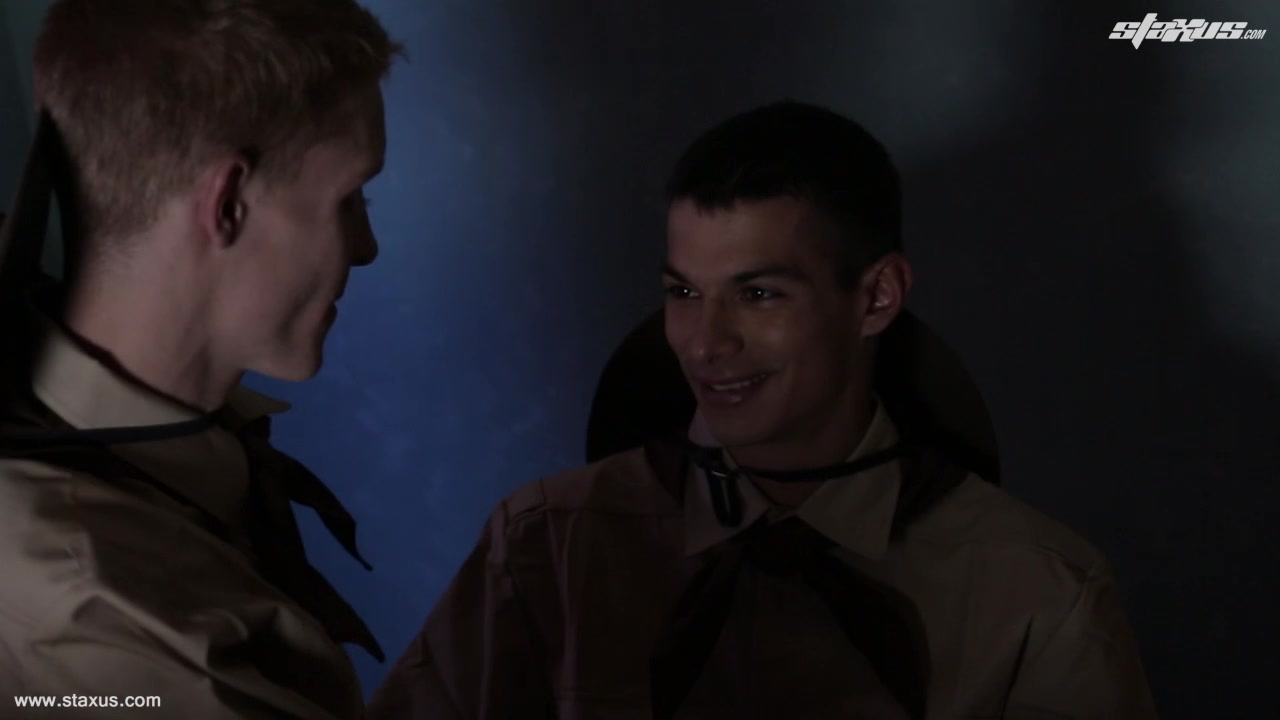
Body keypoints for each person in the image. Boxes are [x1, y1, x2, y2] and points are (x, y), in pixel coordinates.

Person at [368, 101, 1158, 719]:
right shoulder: (548, 547)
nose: (704, 343)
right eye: (684, 291)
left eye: (758, 294)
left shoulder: (1038, 593)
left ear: (877, 297)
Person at [0, 1, 400, 717]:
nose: (366, 248)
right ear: (229, 203)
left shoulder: (166, 442)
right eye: (349, 199)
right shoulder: (101, 610)